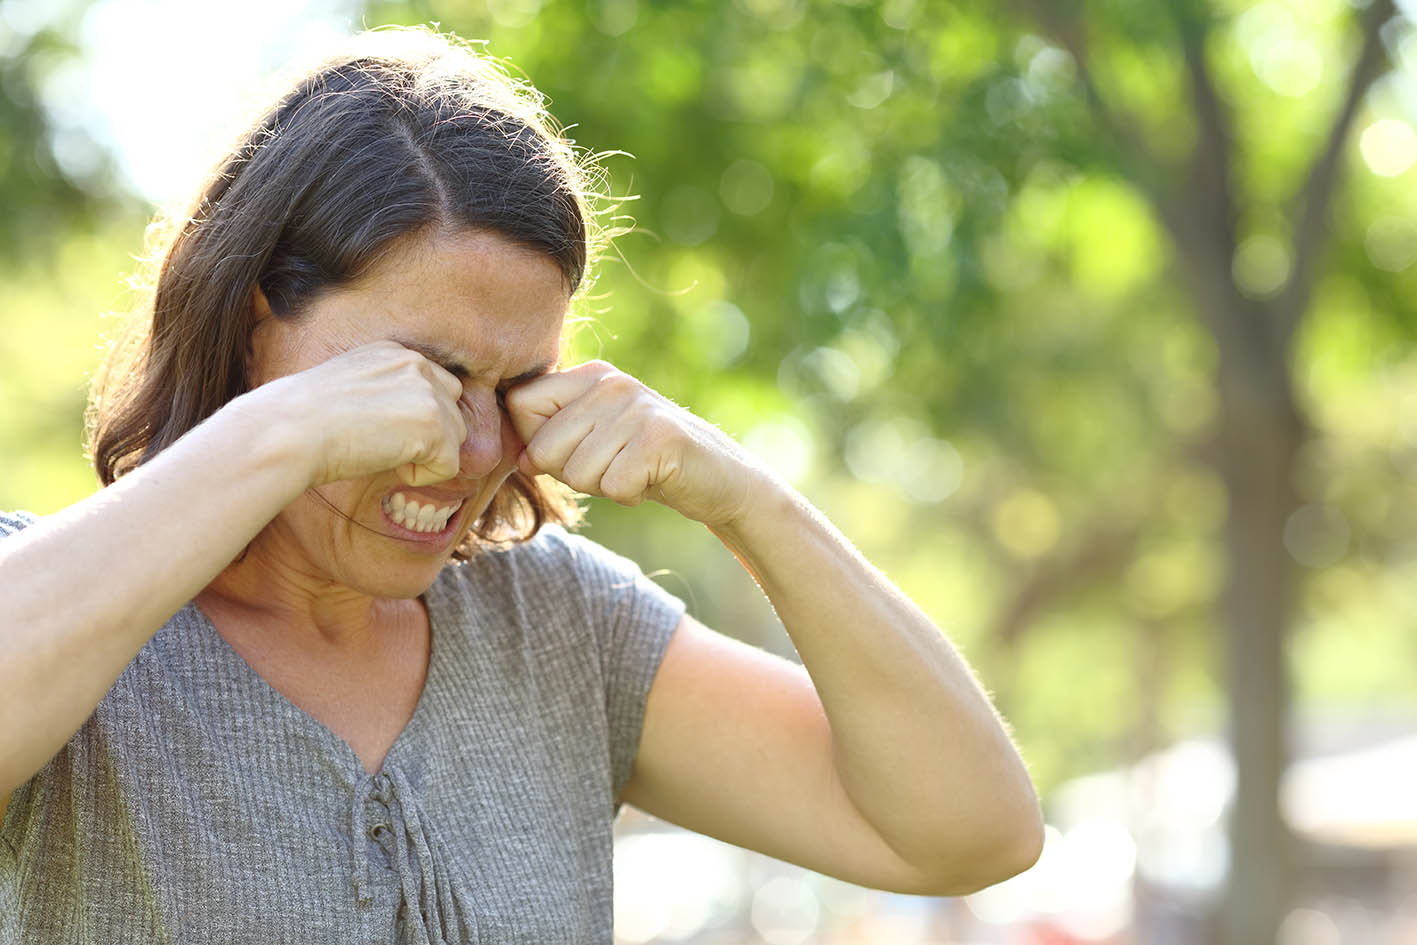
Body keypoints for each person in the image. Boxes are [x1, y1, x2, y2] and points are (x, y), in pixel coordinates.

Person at [0, 26, 1043, 944]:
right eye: (423, 374)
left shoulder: (560, 628)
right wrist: (273, 438)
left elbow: (971, 833)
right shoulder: (61, 604)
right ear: (252, 317)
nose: (468, 447)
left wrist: (747, 502)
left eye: (516, 384)